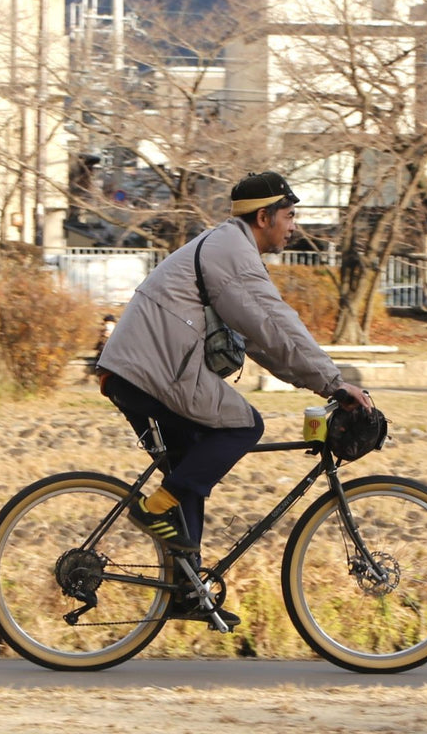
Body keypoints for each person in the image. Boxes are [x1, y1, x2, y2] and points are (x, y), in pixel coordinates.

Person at [96, 170, 370, 627]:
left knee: (190, 469)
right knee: (244, 426)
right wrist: (332, 382)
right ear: (263, 216)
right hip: (153, 370)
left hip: (138, 370)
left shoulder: (230, 247)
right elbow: (272, 323)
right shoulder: (233, 253)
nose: (294, 225)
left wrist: (320, 380)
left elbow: (260, 338)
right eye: (289, 215)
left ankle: (185, 590)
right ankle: (152, 510)